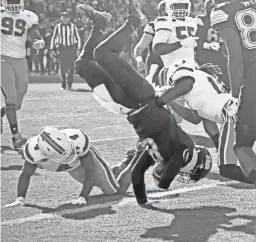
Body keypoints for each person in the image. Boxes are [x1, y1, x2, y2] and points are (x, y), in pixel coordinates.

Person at [75, 0, 212, 205]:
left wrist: (141, 200)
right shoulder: (180, 148)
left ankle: (100, 23)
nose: (178, 174)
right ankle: (132, 21)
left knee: (83, 64)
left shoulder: (155, 153)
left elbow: (137, 174)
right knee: (101, 54)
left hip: (132, 104)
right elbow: (162, 181)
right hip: (141, 98)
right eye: (185, 171)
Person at [3, 127, 137, 207]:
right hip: (71, 167)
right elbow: (26, 173)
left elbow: (92, 170)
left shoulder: (77, 141)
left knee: (114, 191)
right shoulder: (34, 152)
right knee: (104, 179)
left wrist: (83, 196)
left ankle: (136, 158)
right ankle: (125, 161)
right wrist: (20, 199)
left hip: (82, 160)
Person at [210, 0, 256, 186]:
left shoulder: (223, 11)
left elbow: (236, 58)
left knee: (242, 146)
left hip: (252, 81)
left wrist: (235, 95)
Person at [1, 0, 45, 148]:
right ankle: (16, 136)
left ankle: (1, 113)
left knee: (19, 99)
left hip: (20, 60)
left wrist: (37, 40)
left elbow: (33, 31)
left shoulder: (28, 16)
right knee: (11, 97)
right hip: (2, 58)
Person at [50, 12, 81, 90]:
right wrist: (51, 49)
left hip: (70, 48)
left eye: (66, 17)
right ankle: (63, 84)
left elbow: (78, 38)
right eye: (63, 17)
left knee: (71, 67)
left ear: (69, 18)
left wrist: (78, 49)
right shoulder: (57, 26)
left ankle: (69, 83)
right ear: (61, 18)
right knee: (62, 66)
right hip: (61, 48)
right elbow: (53, 37)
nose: (65, 19)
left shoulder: (73, 26)